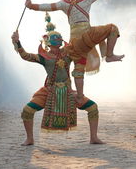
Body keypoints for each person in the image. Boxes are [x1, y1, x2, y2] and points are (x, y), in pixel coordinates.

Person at [25, 0, 124, 104]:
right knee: (112, 28)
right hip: (88, 35)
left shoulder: (64, 3)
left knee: (79, 66)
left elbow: (47, 6)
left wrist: (31, 6)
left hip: (74, 42)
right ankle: (110, 54)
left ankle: (80, 96)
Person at [12, 13, 103, 145]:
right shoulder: (43, 57)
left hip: (67, 91)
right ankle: (30, 138)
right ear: (48, 43)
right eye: (56, 39)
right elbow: (25, 56)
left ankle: (94, 137)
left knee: (93, 107)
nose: (58, 41)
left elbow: (80, 50)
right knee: (27, 111)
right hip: (49, 91)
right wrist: (17, 42)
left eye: (59, 38)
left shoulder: (68, 53)